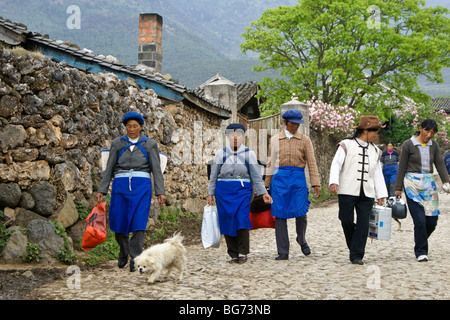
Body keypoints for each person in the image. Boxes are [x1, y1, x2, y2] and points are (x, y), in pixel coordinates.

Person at [97, 111, 166, 271]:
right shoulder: (117, 144)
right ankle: (123, 251)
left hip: (142, 188)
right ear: (125, 127)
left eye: (135, 126)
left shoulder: (150, 145)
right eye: (129, 126)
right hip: (120, 187)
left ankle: (136, 258)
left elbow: (156, 170)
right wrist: (103, 189)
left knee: (139, 223)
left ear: (141, 127)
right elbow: (109, 169)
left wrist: (160, 192)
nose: (132, 129)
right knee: (118, 222)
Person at [207, 123, 272, 264]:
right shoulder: (221, 153)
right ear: (228, 137)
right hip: (223, 191)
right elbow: (213, 175)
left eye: (239, 135)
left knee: (242, 218)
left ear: (243, 136)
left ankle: (243, 252)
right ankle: (233, 254)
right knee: (227, 219)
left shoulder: (249, 154)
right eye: (232, 134)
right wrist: (210, 194)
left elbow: (256, 176)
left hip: (242, 190)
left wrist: (263, 193)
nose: (235, 137)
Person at [329, 115, 387, 265]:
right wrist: (334, 182)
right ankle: (355, 246)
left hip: (367, 192)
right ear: (366, 130)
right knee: (346, 219)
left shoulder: (375, 150)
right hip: (347, 189)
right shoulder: (346, 145)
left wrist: (381, 194)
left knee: (363, 223)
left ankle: (357, 255)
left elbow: (377, 173)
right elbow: (336, 165)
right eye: (375, 131)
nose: (376, 135)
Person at [265, 109, 321, 261]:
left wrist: (316, 183)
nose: (295, 126)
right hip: (279, 180)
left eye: (298, 124)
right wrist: (266, 187)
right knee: (279, 215)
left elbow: (311, 162)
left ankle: (301, 239)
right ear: (285, 123)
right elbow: (270, 163)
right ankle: (283, 251)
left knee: (301, 213)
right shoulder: (275, 140)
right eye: (293, 123)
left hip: (298, 179)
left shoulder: (305, 140)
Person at [394, 119, 450, 262]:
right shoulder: (408, 144)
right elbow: (402, 167)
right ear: (420, 128)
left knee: (431, 221)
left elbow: (440, 164)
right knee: (419, 220)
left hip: (428, 184)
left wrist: (446, 181)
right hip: (412, 184)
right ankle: (421, 251)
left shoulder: (434, 145)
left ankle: (420, 240)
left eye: (432, 133)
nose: (429, 135)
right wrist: (398, 188)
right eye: (427, 131)